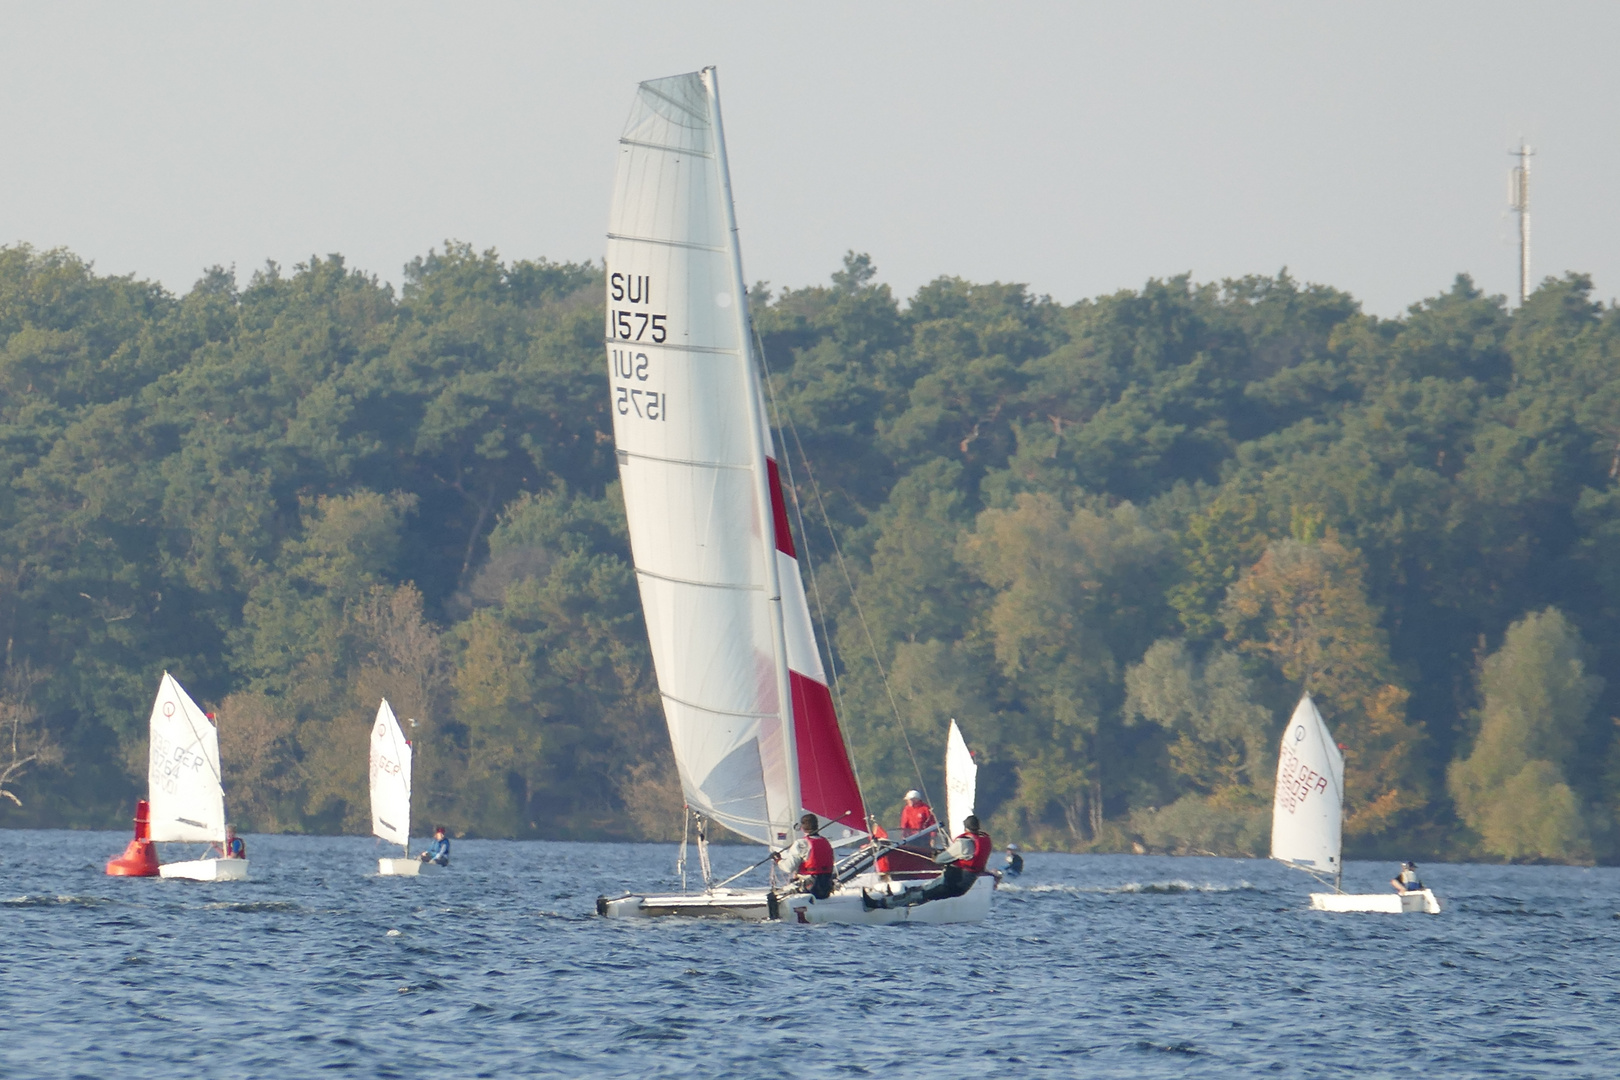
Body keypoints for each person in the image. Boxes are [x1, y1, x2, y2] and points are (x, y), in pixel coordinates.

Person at [864, 814, 991, 910]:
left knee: (918, 894)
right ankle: (895, 901)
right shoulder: (983, 840)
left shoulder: (965, 843)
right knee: (921, 892)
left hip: (951, 883)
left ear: (966, 827)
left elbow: (940, 860)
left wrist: (937, 855)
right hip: (963, 885)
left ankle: (877, 904)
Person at [774, 813, 836, 899]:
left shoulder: (801, 843)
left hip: (808, 888)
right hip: (826, 887)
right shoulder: (826, 842)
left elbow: (788, 868)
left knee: (775, 894)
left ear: (802, 828)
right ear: (817, 826)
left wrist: (778, 860)